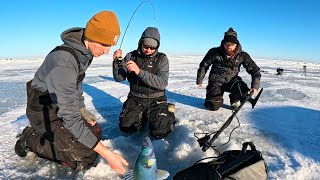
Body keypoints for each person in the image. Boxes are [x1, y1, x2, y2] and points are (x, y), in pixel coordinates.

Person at [14, 10, 128, 175]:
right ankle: (30, 138)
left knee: (95, 133)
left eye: (109, 45)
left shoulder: (84, 53)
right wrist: (108, 154)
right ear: (91, 36)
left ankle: (51, 134)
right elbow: (71, 119)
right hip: (42, 109)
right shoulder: (64, 62)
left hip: (60, 102)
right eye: (104, 44)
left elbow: (77, 85)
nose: (107, 51)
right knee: (84, 156)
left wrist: (81, 109)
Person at [112, 27, 176, 139]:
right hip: (136, 99)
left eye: (152, 48)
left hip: (157, 100)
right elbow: (119, 78)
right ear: (140, 43)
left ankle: (166, 113)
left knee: (159, 132)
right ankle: (143, 116)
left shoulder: (162, 59)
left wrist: (139, 72)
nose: (149, 50)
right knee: (127, 128)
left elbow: (162, 83)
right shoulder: (131, 56)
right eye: (146, 46)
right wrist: (117, 62)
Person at [196, 27, 261, 111]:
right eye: (227, 44)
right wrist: (199, 79)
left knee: (242, 87)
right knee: (213, 106)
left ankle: (235, 100)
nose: (229, 46)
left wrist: (255, 87)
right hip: (216, 82)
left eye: (232, 44)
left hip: (232, 82)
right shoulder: (214, 52)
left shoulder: (242, 55)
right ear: (223, 43)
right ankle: (217, 99)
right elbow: (204, 65)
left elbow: (255, 70)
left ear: (236, 44)